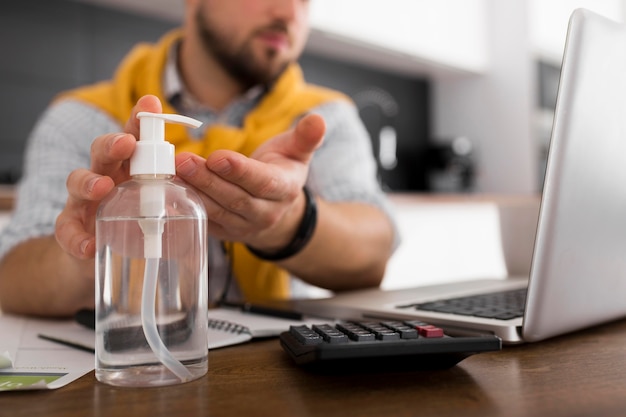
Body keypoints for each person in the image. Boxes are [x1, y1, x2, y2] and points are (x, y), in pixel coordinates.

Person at [0, 0, 398, 317]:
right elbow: (11, 276)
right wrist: (92, 256)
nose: (288, 13)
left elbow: (373, 255)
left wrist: (285, 222)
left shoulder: (323, 118)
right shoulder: (81, 117)